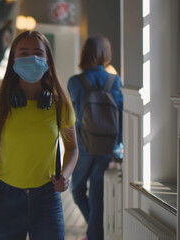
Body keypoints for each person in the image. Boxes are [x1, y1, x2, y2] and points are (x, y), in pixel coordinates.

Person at [0, 30, 79, 239]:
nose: (31, 58)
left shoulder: (59, 105)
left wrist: (65, 174)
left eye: (38, 53)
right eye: (24, 53)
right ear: (13, 60)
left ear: (47, 60)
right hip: (6, 199)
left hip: (47, 199)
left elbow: (72, 148)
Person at [68, 35, 123, 240]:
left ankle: (94, 233)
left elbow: (75, 116)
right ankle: (94, 234)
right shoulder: (115, 81)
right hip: (107, 146)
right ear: (106, 54)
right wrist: (117, 145)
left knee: (77, 190)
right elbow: (121, 114)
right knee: (97, 195)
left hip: (83, 145)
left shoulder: (75, 82)